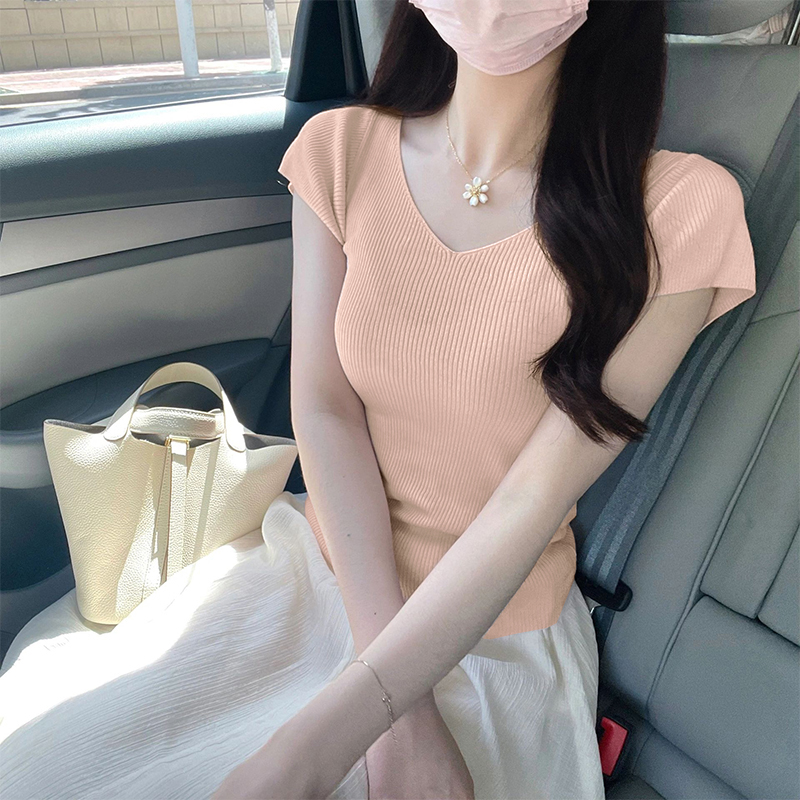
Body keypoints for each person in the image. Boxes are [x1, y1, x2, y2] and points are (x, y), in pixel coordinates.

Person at [0, 1, 756, 799]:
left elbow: (532, 498)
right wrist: (398, 715)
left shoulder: (679, 210)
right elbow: (325, 408)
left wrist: (326, 740)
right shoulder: (342, 150)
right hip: (315, 568)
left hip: (491, 629)